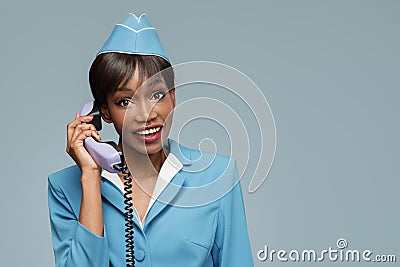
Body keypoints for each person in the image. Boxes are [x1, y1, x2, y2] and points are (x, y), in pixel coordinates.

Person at [48, 13, 254, 267]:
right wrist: (91, 176)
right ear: (103, 112)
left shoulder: (217, 176)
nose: (147, 114)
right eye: (125, 101)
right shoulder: (64, 189)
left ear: (174, 98)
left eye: (157, 94)